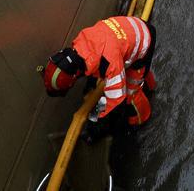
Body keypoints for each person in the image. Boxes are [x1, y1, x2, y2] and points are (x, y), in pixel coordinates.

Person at [41, 15, 157, 143]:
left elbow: (116, 103)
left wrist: (95, 126)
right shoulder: (80, 41)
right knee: (131, 76)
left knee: (131, 93)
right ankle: (150, 85)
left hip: (145, 40)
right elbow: (91, 60)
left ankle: (142, 121)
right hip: (131, 29)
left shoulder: (109, 65)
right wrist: (90, 86)